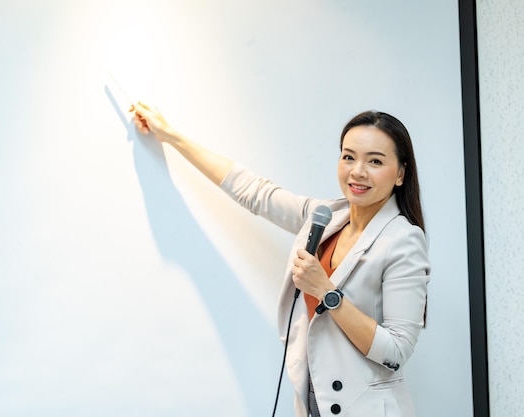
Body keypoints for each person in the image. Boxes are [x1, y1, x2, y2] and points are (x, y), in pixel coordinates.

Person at [130, 102, 430, 417]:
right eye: (348, 156)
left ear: (400, 174)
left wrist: (327, 292)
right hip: (314, 405)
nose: (358, 171)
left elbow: (396, 352)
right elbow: (253, 191)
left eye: (375, 161)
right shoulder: (326, 216)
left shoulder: (403, 240)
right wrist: (170, 135)